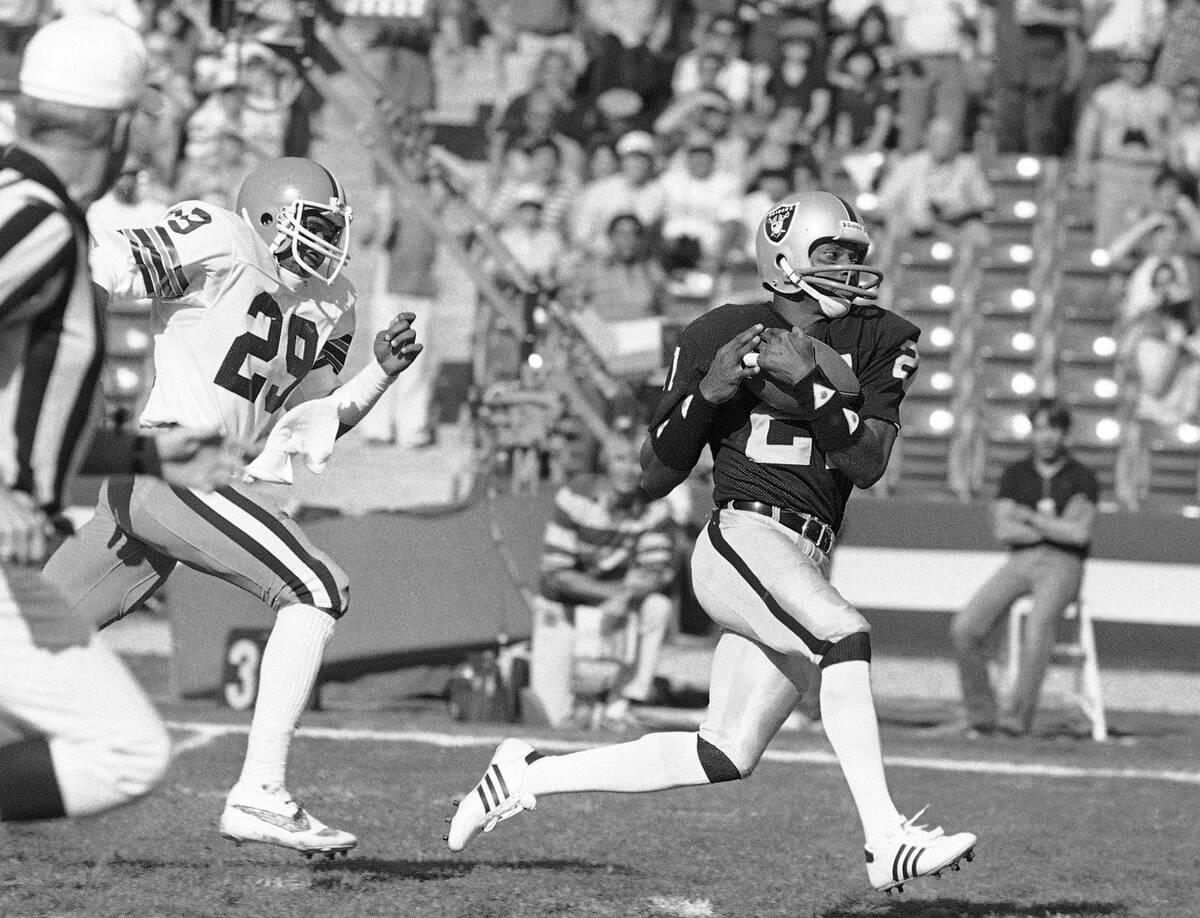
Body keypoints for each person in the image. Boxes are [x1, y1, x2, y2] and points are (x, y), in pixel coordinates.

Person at [446, 191, 978, 895]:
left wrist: (812, 387)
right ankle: (885, 837)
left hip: (807, 548)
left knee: (723, 752)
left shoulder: (885, 335)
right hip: (743, 533)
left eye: (856, 255)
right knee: (844, 635)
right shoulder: (718, 332)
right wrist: (709, 394)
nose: (852, 268)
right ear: (785, 260)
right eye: (834, 254)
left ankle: (526, 772)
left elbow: (868, 463)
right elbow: (652, 474)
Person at [40, 156, 424, 853]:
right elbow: (107, 267)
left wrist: (380, 374)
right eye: (319, 223)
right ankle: (260, 792)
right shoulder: (220, 235)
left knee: (30, 642)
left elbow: (314, 420)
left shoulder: (333, 302)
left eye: (336, 226)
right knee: (315, 587)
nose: (331, 241)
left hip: (173, 489)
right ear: (270, 217)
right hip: (168, 466)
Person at [0, 14, 246, 824]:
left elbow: (30, 419)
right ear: (117, 128)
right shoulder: (35, 217)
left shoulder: (31, 207)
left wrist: (148, 455)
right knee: (122, 749)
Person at [950, 399, 1099, 737]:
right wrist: (1054, 523)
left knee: (1038, 628)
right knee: (965, 627)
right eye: (1040, 428)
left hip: (1064, 563)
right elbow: (1003, 529)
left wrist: (1028, 515)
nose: (1046, 437)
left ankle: (1017, 720)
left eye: (1053, 428)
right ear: (1032, 432)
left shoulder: (1082, 476)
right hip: (1020, 559)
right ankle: (982, 715)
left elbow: (1079, 533)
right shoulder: (1016, 474)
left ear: (1064, 433)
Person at [526, 428, 676, 728]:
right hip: (566, 608)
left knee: (657, 607)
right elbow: (555, 574)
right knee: (553, 717)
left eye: (638, 461)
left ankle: (620, 706)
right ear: (605, 463)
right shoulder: (574, 496)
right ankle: (582, 705)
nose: (629, 470)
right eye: (620, 459)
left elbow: (655, 571)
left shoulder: (656, 506)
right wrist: (613, 594)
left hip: (620, 607)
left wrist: (626, 595)